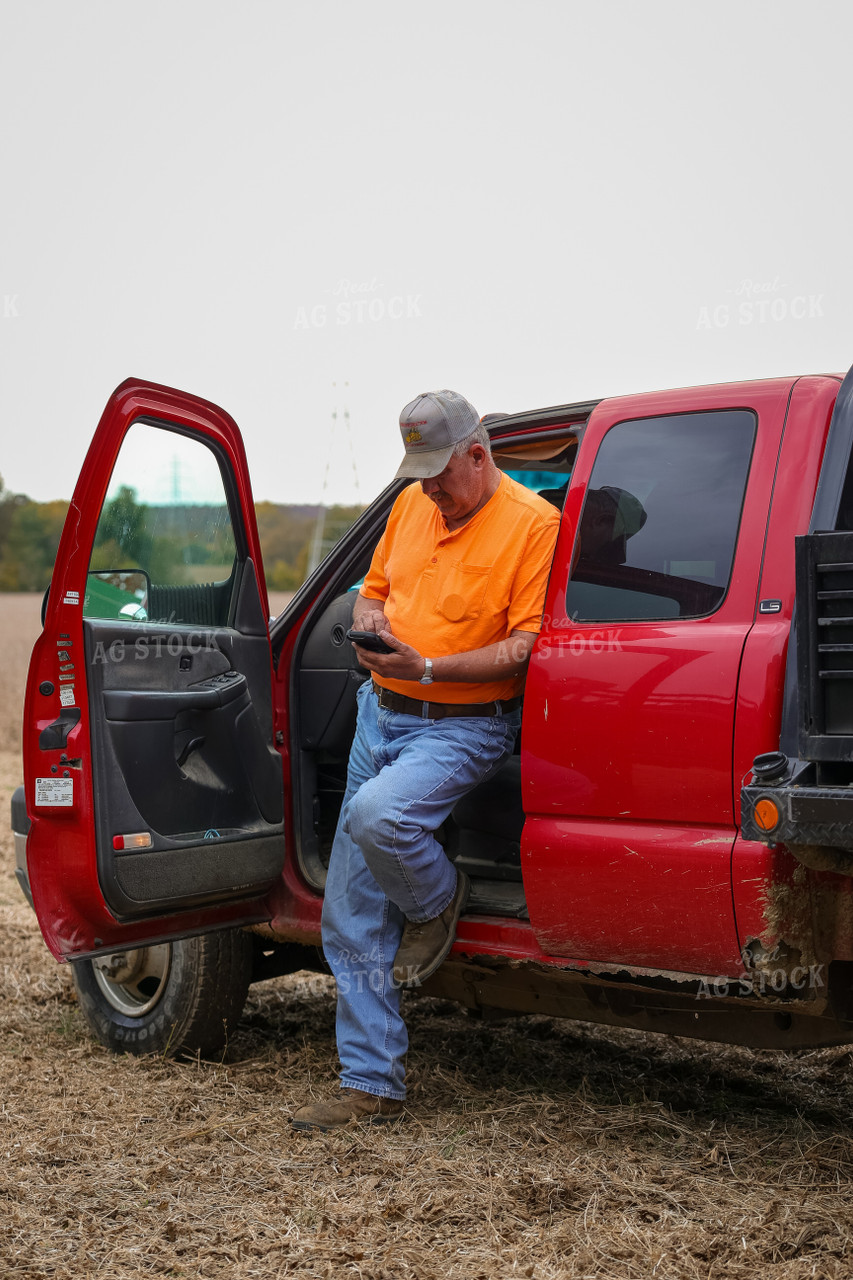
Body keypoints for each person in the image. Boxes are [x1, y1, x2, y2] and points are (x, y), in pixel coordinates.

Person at [291, 390, 560, 1132]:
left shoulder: (534, 526)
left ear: (479, 453)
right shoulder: (413, 505)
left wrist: (431, 667)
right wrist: (370, 620)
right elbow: (372, 590)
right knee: (346, 916)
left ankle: (435, 901)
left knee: (378, 817)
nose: (430, 487)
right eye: (419, 473)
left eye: (440, 471)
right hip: (380, 715)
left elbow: (523, 647)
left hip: (463, 724)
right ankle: (369, 1085)